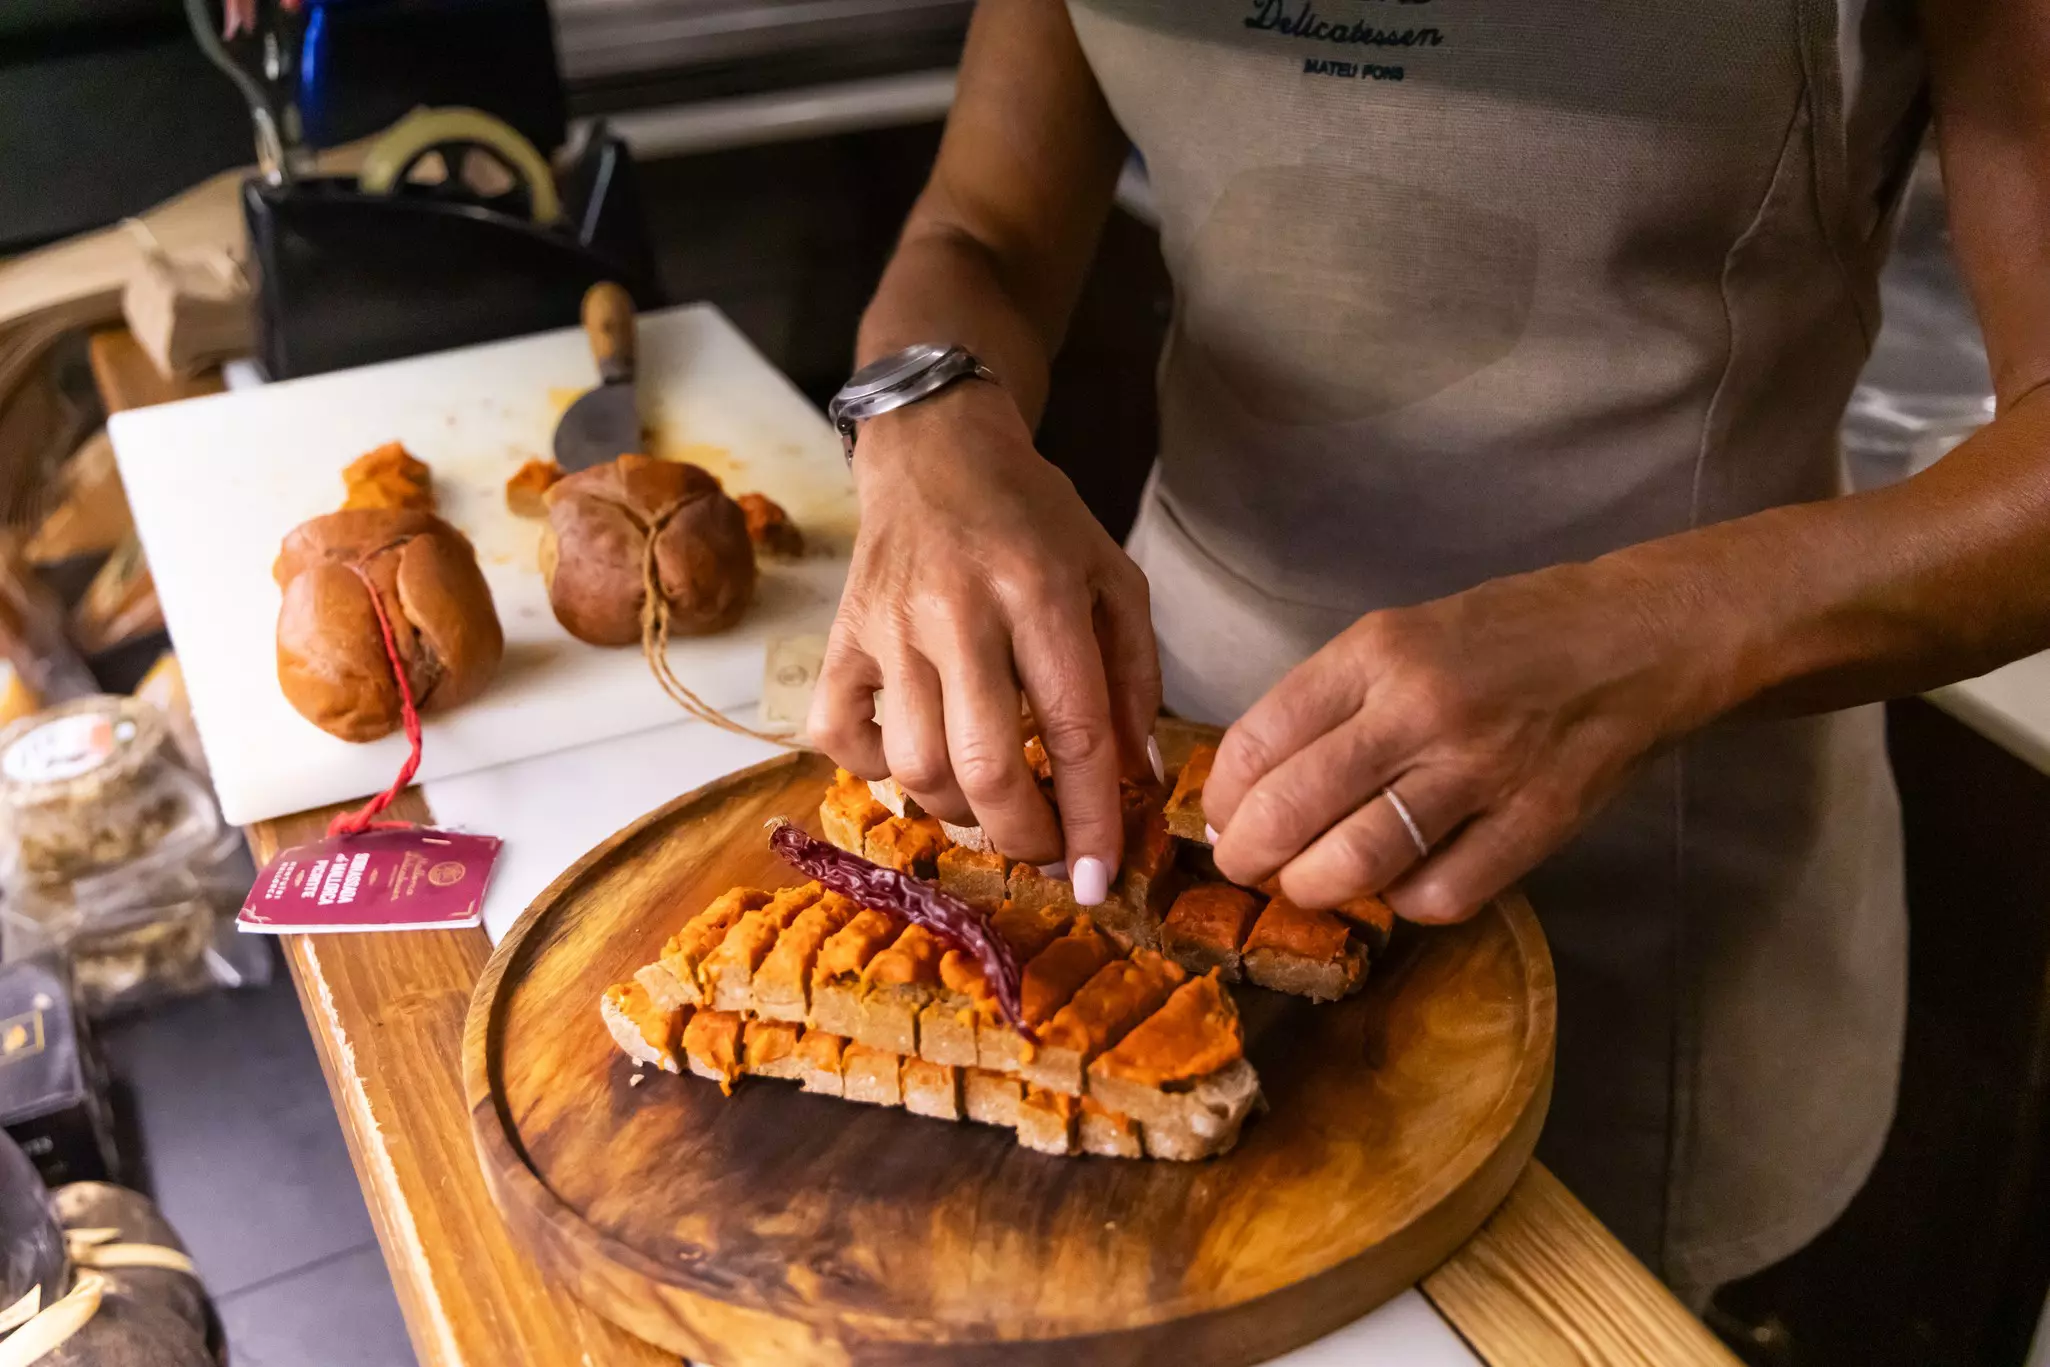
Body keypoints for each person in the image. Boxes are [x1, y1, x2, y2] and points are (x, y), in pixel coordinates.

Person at [808, 0, 2050, 1305]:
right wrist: (928, 424)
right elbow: (980, 235)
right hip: (1153, 781)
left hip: (1651, 867)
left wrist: (1638, 631)